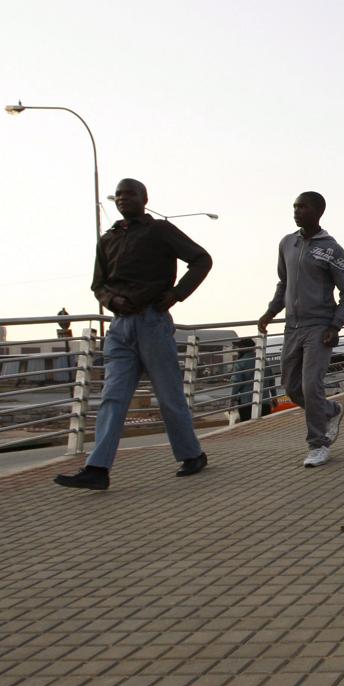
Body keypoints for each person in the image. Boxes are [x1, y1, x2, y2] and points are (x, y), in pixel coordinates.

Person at [54, 178, 212, 490]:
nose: (123, 199)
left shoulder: (160, 231)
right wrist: (111, 300)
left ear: (144, 198)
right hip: (119, 328)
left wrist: (177, 294)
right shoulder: (108, 239)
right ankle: (97, 469)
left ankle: (192, 455)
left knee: (168, 396)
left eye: (130, 194)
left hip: (152, 321)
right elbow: (98, 284)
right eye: (119, 195)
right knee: (112, 397)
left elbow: (201, 259)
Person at [258, 192, 344, 468]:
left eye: (303, 206)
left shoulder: (331, 249)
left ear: (318, 211)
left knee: (311, 385)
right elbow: (283, 283)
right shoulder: (287, 243)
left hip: (319, 326)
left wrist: (335, 325)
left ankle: (318, 444)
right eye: (295, 207)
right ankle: (332, 410)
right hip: (292, 326)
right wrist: (271, 311)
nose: (297, 211)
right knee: (291, 386)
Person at [231, 338, 275, 422]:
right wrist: (274, 396)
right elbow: (271, 379)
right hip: (264, 402)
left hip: (246, 403)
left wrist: (232, 399)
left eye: (239, 346)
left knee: (249, 428)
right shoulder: (263, 361)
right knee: (265, 427)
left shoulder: (240, 362)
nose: (238, 349)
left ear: (244, 348)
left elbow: (237, 383)